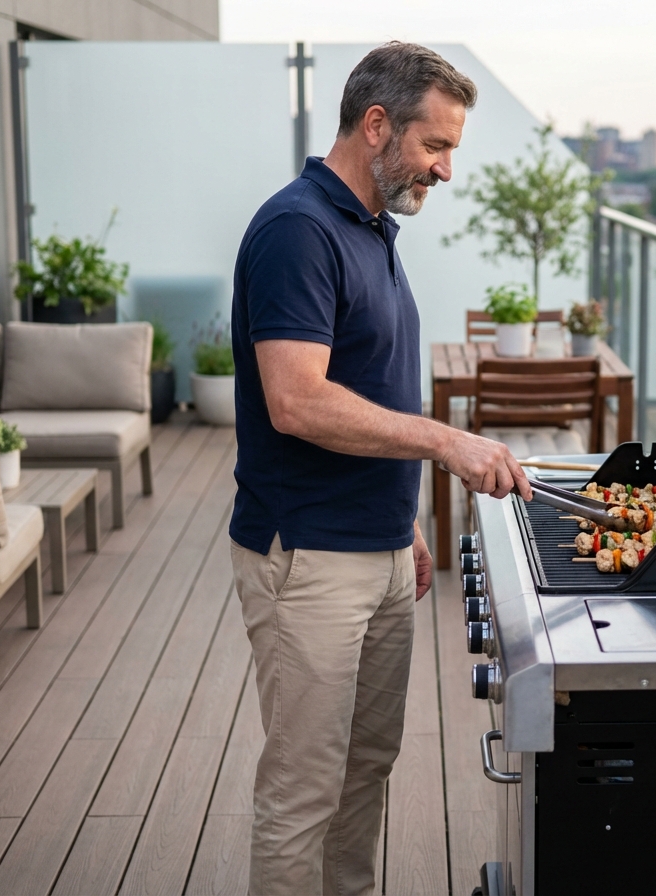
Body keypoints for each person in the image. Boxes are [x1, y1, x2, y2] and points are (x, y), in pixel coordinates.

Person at [229, 42, 532, 895]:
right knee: (302, 792)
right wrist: (445, 442)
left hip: (376, 551)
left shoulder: (371, 227)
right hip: (311, 561)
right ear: (376, 126)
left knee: (364, 771)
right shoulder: (297, 230)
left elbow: (365, 383)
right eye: (436, 147)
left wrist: (403, 526)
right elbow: (297, 401)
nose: (444, 169)